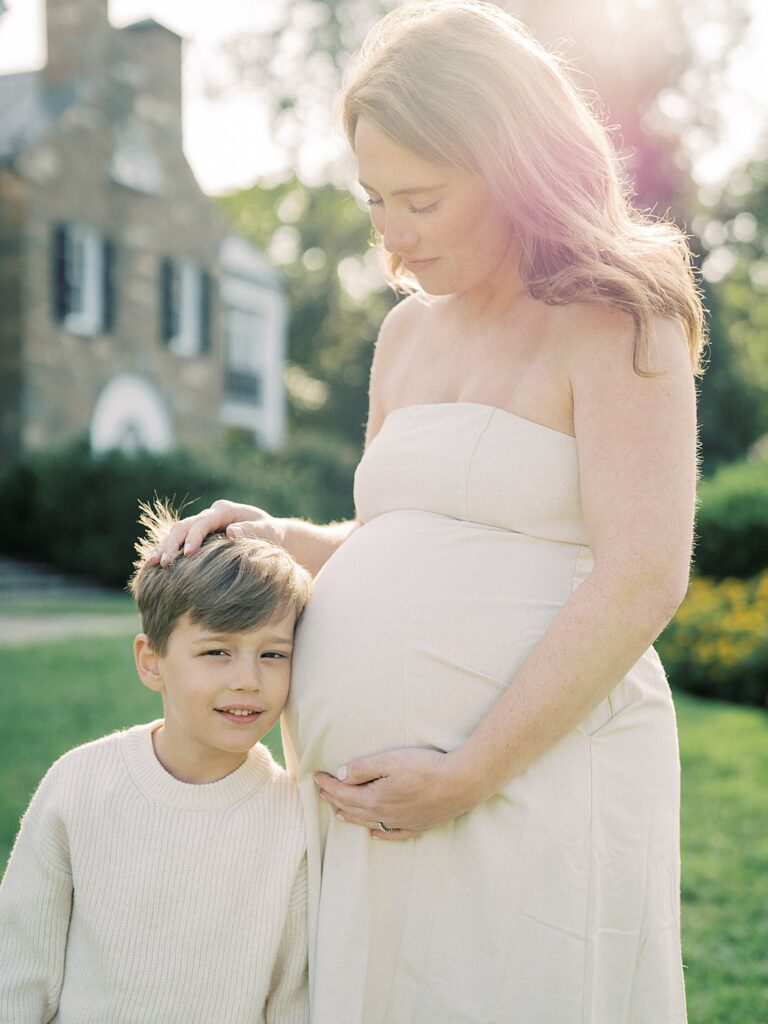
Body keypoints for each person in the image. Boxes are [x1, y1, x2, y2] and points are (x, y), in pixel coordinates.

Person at [152, 1, 705, 1020]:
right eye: (374, 202)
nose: (393, 236)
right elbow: (402, 536)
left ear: (513, 166)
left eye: (421, 199)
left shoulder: (619, 311)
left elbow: (643, 572)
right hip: (367, 809)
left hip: (537, 780)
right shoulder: (405, 337)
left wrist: (469, 771)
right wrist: (280, 539)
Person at [0, 502, 312, 1024]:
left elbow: (291, 1002)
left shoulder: (294, 822)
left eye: (273, 654)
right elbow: (17, 971)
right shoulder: (79, 786)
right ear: (152, 661)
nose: (248, 680)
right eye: (217, 652)